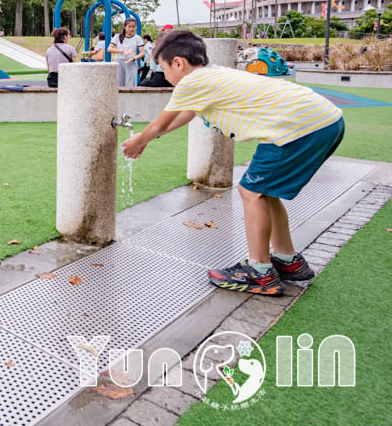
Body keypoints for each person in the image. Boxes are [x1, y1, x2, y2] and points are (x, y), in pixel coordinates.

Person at [121, 30, 344, 296]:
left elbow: (162, 121)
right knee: (265, 192)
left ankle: (260, 273)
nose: (165, 75)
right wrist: (150, 138)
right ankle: (287, 261)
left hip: (299, 127)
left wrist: (139, 141)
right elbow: (186, 114)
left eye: (164, 68)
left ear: (178, 63)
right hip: (323, 120)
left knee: (251, 191)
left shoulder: (191, 82)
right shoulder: (211, 76)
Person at [109, 17, 144, 87]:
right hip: (119, 61)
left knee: (130, 84)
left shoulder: (138, 38)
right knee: (118, 83)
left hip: (131, 62)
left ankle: (130, 98)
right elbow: (109, 49)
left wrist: (134, 58)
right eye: (129, 27)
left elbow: (142, 52)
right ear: (125, 27)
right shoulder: (117, 36)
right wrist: (123, 51)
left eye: (133, 27)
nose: (131, 29)